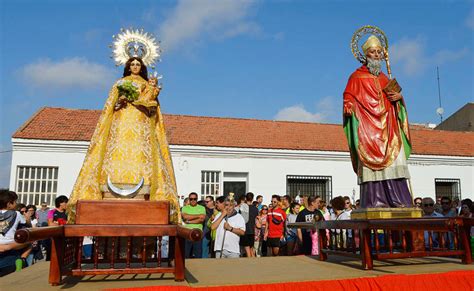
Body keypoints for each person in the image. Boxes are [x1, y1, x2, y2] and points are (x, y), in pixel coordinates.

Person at [67, 55, 180, 224]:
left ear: (141, 67)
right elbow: (109, 106)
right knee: (116, 149)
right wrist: (119, 102)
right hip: (121, 121)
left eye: (138, 64)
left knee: (142, 152)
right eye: (132, 64)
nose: (135, 67)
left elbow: (152, 107)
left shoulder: (146, 84)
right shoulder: (119, 83)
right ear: (128, 66)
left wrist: (150, 91)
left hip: (140, 122)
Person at [343, 34, 412, 209]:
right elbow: (348, 95)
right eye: (373, 52)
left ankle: (399, 199)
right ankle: (375, 200)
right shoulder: (356, 77)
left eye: (379, 52)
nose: (376, 55)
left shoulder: (385, 79)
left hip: (388, 126)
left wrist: (399, 99)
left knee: (395, 159)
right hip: (368, 128)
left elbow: (395, 100)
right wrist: (349, 104)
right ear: (366, 55)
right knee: (370, 164)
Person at [0, 190, 30, 276]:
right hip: (10, 246)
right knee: (30, 242)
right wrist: (27, 219)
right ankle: (22, 259)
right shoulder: (17, 214)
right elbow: (27, 225)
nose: (16, 204)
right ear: (9, 204)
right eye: (15, 202)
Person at [181, 192, 205, 258]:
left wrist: (189, 222)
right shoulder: (185, 208)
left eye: (195, 199)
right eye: (191, 199)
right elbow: (185, 217)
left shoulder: (202, 208)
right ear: (189, 199)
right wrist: (198, 215)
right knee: (186, 255)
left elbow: (201, 220)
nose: (193, 200)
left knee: (198, 255)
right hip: (187, 233)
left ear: (197, 199)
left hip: (198, 233)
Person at [240, 192, 258, 257]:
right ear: (252, 199)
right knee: (251, 250)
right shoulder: (255, 209)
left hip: (245, 230)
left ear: (245, 198)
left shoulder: (242, 207)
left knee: (247, 251)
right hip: (252, 231)